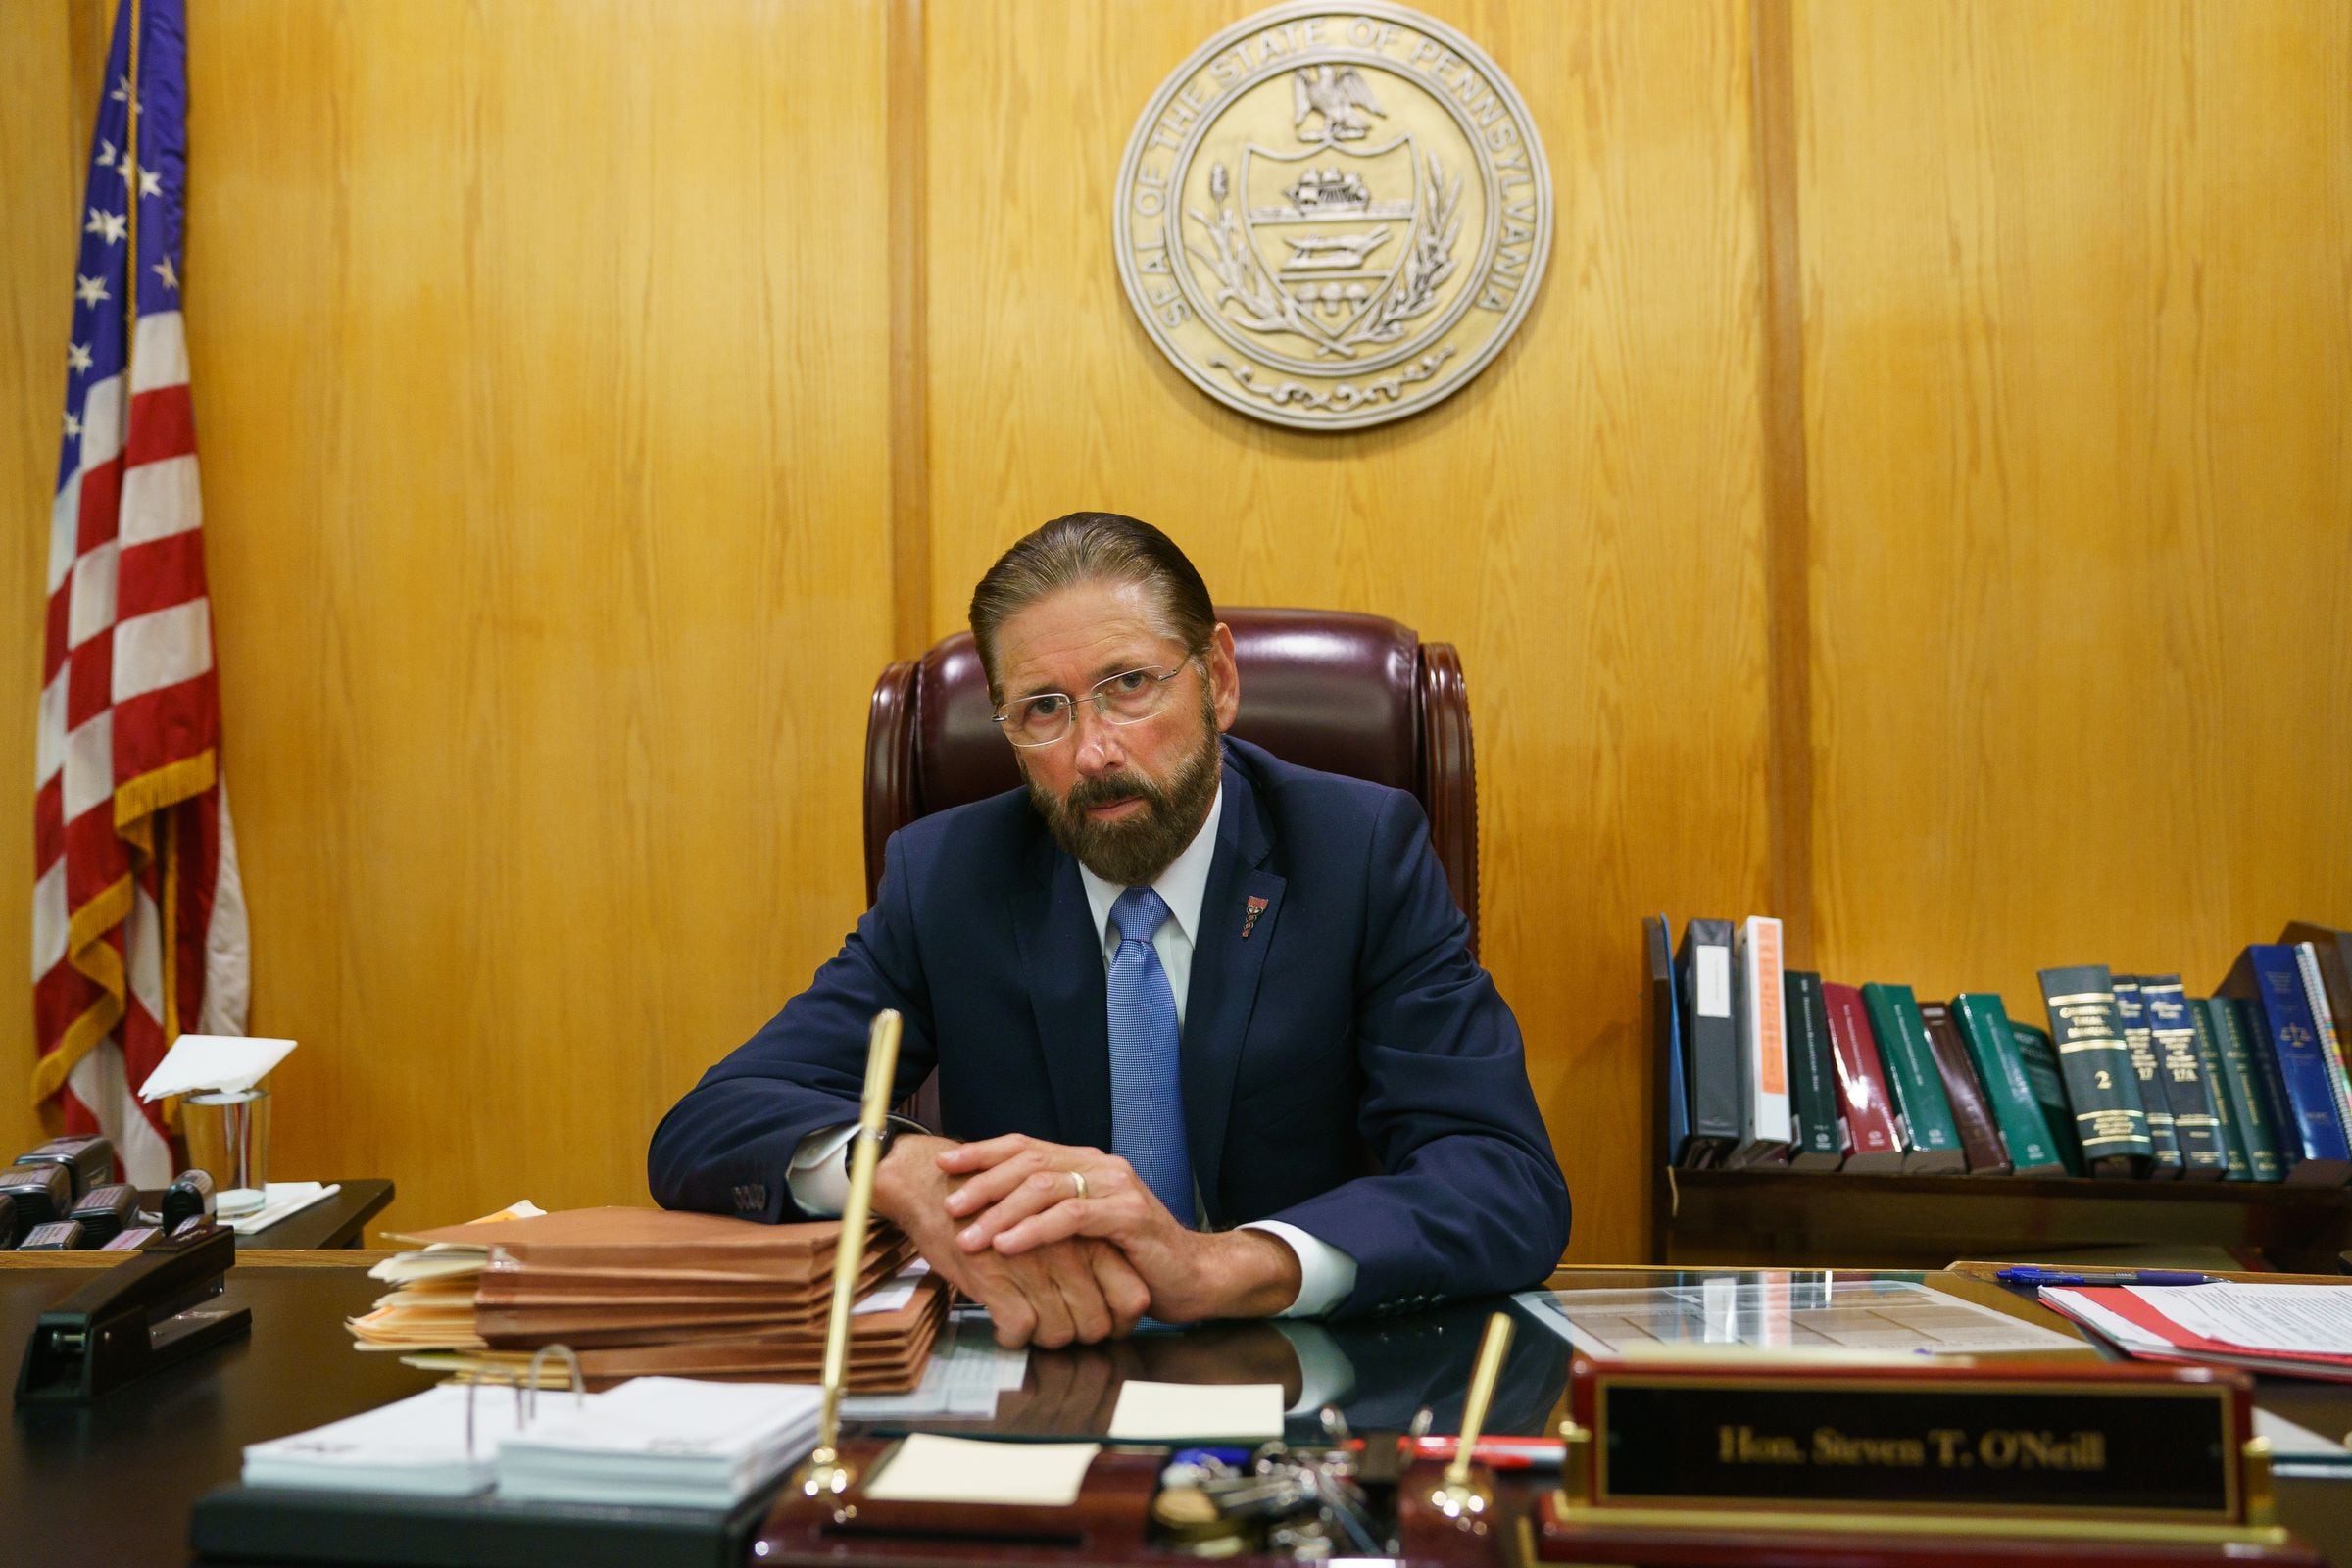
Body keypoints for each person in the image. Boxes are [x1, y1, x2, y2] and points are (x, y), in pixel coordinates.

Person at [648, 513, 1570, 1347]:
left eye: (1129, 686)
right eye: (1043, 709)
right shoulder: (951, 877)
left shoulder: (1356, 853)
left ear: (1218, 680)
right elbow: (709, 1125)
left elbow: (1503, 1179)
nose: (1092, 752)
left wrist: (1224, 1266)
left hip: (1296, 1377)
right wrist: (894, 1167)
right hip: (1040, 1370)